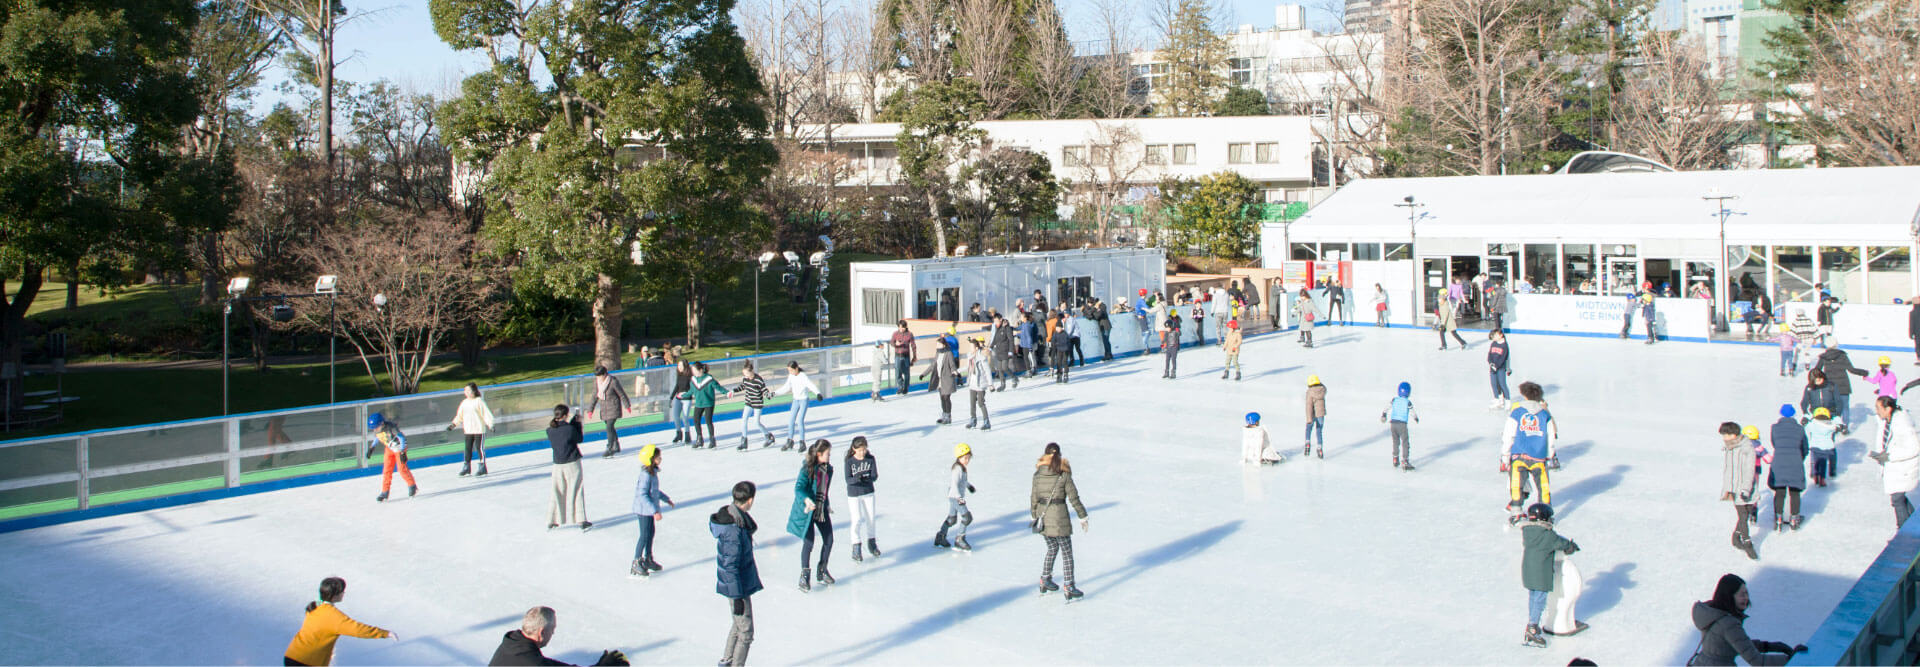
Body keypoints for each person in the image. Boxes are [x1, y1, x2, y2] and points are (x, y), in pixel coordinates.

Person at [1686, 574, 1805, 665]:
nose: (1746, 598)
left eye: (1747, 594)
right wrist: (1790, 659)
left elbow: (1735, 643)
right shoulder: (1728, 623)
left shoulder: (1713, 613)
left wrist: (1769, 646)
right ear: (1729, 596)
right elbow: (1757, 661)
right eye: (1742, 594)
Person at [284, 577, 393, 666]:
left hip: (292, 655)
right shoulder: (333, 616)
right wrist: (384, 633)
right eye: (342, 591)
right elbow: (357, 629)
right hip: (308, 661)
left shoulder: (315, 606)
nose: (344, 593)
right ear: (335, 595)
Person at [712, 481, 762, 667]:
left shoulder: (737, 519)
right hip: (737, 586)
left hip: (739, 583)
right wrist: (737, 596)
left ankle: (726, 661)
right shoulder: (734, 529)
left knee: (738, 624)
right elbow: (730, 565)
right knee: (746, 632)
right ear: (750, 500)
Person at [1032, 442, 1090, 601]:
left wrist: (1034, 516)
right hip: (1059, 518)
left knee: (1052, 548)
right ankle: (1069, 585)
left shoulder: (1037, 474)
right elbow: (1074, 498)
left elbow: (1034, 498)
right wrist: (1082, 516)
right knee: (1066, 552)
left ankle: (1045, 579)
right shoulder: (1063, 475)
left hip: (1043, 518)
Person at [1518, 503, 1579, 648]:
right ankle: (1532, 628)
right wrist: (1571, 546)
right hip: (1540, 573)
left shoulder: (1528, 531)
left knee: (1533, 597)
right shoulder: (1546, 535)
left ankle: (1532, 624)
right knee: (1539, 599)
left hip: (1528, 571)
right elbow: (1560, 543)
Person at [488, 606, 628, 666]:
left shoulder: (511, 644)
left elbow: (547, 664)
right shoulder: (532, 662)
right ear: (541, 632)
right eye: (552, 629)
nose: (553, 633)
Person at [1503, 382, 1556, 520]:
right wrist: (1550, 454)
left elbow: (1508, 435)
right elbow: (1551, 436)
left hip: (1519, 454)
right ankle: (1545, 511)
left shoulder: (1517, 412)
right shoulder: (1544, 414)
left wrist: (1505, 455)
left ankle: (1516, 510)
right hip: (1539, 456)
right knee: (1543, 485)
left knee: (1517, 484)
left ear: (1524, 395)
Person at [787, 440, 836, 591]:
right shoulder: (807, 469)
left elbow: (823, 490)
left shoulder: (828, 470)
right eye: (827, 453)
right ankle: (804, 575)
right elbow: (798, 488)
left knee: (829, 539)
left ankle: (822, 570)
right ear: (819, 454)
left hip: (820, 509)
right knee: (809, 543)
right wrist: (807, 500)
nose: (829, 456)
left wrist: (826, 505)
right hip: (806, 511)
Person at [1870, 395, 1920, 528]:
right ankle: (1914, 526)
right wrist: (1881, 455)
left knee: (1897, 499)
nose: (1876, 411)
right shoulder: (1887, 420)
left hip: (1903, 470)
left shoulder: (1902, 424)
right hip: (1896, 469)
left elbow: (1915, 448)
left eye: (1878, 408)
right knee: (1899, 498)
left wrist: (1889, 456)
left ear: (1888, 408)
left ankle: (1904, 533)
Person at [630, 445, 675, 577]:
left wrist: (666, 499)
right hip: (643, 510)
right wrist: (654, 511)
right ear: (650, 459)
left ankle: (648, 558)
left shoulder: (653, 473)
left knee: (650, 533)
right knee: (644, 535)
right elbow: (642, 494)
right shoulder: (645, 475)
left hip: (648, 509)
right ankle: (636, 561)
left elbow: (654, 491)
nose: (660, 459)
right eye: (658, 457)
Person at [1718, 422, 1760, 560]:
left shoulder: (1747, 449)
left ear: (1733, 435)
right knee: (1743, 516)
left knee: (1746, 514)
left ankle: (1736, 537)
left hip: (1746, 488)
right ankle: (1747, 543)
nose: (1724, 438)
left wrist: (1746, 489)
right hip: (1734, 488)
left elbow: (1749, 471)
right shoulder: (1730, 448)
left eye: (1726, 435)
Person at [546, 405, 591, 531]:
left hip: (557, 465)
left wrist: (572, 424)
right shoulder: (570, 429)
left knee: (557, 491)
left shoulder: (550, 430)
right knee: (576, 490)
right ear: (565, 415)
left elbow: (564, 433)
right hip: (572, 463)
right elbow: (578, 438)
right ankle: (580, 519)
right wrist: (577, 423)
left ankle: (552, 519)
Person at [1767, 405, 1808, 531]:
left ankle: (1778, 518)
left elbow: (1774, 443)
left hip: (1778, 461)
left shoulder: (1774, 428)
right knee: (1795, 492)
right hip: (1795, 461)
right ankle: (1794, 519)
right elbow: (1805, 448)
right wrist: (1799, 458)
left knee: (1780, 492)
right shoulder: (1800, 429)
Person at [1814, 342, 1870, 432]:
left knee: (1831, 407)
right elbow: (1851, 369)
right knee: (1845, 408)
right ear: (1836, 345)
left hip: (1830, 386)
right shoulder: (1842, 355)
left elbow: (1817, 371)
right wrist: (1864, 372)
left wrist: (1819, 381)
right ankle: (1845, 427)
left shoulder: (1823, 357)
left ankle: (1832, 426)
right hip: (1843, 385)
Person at [845, 437, 881, 563]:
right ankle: (856, 547)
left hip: (868, 492)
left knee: (870, 518)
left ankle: (872, 543)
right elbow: (848, 479)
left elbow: (875, 475)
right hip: (854, 494)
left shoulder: (870, 459)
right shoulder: (849, 462)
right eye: (860, 450)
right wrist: (857, 479)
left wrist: (867, 478)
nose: (862, 452)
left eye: (864, 449)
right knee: (857, 519)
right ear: (854, 449)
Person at [366, 412, 416, 503]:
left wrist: (402, 453)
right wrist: (371, 448)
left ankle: (412, 485)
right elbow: (377, 437)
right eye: (373, 429)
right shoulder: (377, 430)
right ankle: (385, 492)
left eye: (376, 427)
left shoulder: (391, 428)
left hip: (399, 448)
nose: (374, 430)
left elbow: (402, 438)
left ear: (381, 424)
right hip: (389, 449)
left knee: (402, 469)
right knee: (387, 471)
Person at [935, 443, 976, 551]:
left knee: (952, 519)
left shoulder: (962, 468)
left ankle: (940, 536)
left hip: (954, 495)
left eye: (968, 458)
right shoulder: (957, 469)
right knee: (967, 517)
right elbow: (954, 484)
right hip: (955, 496)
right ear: (959, 458)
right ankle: (959, 539)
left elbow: (962, 481)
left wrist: (969, 486)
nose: (967, 460)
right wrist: (959, 498)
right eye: (964, 458)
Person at [450, 382, 495, 477]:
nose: (466, 392)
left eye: (468, 390)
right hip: (468, 430)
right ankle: (467, 466)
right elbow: (460, 416)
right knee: (467, 448)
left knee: (479, 448)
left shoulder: (479, 401)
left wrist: (491, 425)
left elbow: (486, 414)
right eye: (465, 390)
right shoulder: (464, 403)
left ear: (474, 391)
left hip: (479, 429)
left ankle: (482, 466)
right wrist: (453, 424)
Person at [586, 366, 632, 458]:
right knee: (610, 428)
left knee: (609, 427)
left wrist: (627, 406)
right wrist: (590, 410)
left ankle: (610, 447)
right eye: (597, 376)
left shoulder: (613, 381)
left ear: (604, 374)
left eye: (599, 376)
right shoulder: (597, 383)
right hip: (604, 409)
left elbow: (621, 394)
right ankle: (616, 445)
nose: (598, 378)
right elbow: (594, 396)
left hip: (614, 407)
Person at [776, 362, 822, 451]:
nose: (790, 372)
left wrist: (818, 393)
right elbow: (786, 387)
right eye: (789, 370)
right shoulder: (791, 376)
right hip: (795, 400)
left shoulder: (803, 376)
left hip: (803, 400)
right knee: (791, 420)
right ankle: (790, 441)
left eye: (791, 370)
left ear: (796, 368)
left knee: (800, 420)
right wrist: (775, 393)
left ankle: (802, 442)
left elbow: (810, 385)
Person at [1381, 381, 1420, 471]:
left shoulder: (1394, 400)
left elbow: (1387, 407)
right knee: (1405, 442)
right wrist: (1416, 418)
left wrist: (1384, 414)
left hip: (1393, 424)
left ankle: (1395, 458)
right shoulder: (1408, 402)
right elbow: (1412, 412)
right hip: (1402, 425)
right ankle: (1405, 461)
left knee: (1395, 441)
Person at [920, 338, 959, 425]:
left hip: (948, 379)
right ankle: (944, 415)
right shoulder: (938, 353)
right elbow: (933, 365)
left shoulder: (948, 353)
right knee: (942, 398)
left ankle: (948, 417)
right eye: (936, 344)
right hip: (940, 379)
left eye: (938, 344)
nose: (937, 346)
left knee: (946, 397)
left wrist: (954, 371)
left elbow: (952, 365)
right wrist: (923, 374)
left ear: (943, 345)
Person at [686, 362, 723, 449]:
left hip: (708, 403)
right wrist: (682, 395)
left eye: (694, 370)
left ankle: (712, 440)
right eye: (692, 371)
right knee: (696, 420)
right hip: (699, 403)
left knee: (708, 421)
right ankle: (699, 439)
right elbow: (691, 391)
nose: (693, 372)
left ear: (701, 370)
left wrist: (727, 392)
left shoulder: (709, 379)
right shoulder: (693, 380)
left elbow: (718, 387)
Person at [1800, 369, 1845, 435]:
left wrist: (1837, 415)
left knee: (1829, 436)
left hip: (1829, 416)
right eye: (1815, 380)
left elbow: (1839, 401)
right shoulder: (1809, 388)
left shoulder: (1831, 386)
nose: (1818, 382)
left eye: (1820, 379)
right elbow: (1804, 402)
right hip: (1815, 417)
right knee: (1816, 437)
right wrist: (1805, 414)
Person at [1806, 407, 1840, 487]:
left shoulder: (1812, 425)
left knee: (1816, 461)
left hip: (1815, 446)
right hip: (1826, 447)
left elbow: (1806, 424)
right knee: (1823, 462)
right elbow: (1837, 426)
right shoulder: (1830, 426)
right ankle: (1822, 478)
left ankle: (1815, 475)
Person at [965, 338, 992, 429]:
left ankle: (986, 421)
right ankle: (973, 420)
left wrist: (990, 384)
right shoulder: (970, 356)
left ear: (976, 348)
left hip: (980, 383)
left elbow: (987, 371)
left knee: (981, 402)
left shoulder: (982, 358)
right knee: (972, 403)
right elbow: (967, 368)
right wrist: (956, 371)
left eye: (972, 347)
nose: (970, 349)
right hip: (972, 383)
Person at [669, 360, 694, 444]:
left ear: (685, 366)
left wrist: (686, 393)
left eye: (680, 365)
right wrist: (671, 397)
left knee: (685, 417)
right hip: (678, 399)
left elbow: (692, 389)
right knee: (676, 416)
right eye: (678, 365)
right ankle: (679, 434)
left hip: (687, 399)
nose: (679, 367)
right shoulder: (679, 375)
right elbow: (677, 386)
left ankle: (687, 435)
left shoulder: (690, 376)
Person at [1488, 329, 1513, 410]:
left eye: (1495, 335)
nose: (1493, 337)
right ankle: (1497, 399)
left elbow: (1503, 358)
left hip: (1500, 368)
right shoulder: (1493, 343)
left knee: (1502, 384)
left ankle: (1508, 401)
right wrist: (1491, 363)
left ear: (1500, 335)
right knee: (1494, 384)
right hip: (1492, 368)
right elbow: (1490, 355)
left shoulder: (1504, 346)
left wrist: (1497, 366)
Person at [990, 315, 1017, 391]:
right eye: (994, 321)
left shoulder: (1007, 328)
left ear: (1001, 320)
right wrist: (990, 347)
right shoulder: (997, 328)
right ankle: (1003, 384)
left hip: (1005, 351)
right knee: (999, 369)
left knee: (1005, 367)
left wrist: (1011, 351)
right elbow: (995, 338)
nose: (995, 323)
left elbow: (1011, 340)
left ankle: (1014, 378)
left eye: (996, 321)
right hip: (999, 351)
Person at [889, 320, 915, 397]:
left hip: (906, 356)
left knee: (906, 373)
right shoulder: (895, 334)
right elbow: (891, 342)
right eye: (899, 327)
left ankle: (906, 387)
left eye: (902, 327)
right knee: (898, 372)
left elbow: (913, 345)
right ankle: (900, 387)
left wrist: (914, 356)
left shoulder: (909, 334)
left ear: (905, 326)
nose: (901, 329)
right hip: (897, 356)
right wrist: (895, 344)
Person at [1304, 375, 1327, 459]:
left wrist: (1309, 418)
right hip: (1321, 414)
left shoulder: (1310, 392)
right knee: (1319, 430)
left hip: (1312, 414)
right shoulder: (1322, 390)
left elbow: (1309, 406)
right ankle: (1319, 447)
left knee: (1309, 428)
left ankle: (1307, 443)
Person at [1161, 308, 1182, 379]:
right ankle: (1166, 372)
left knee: (1173, 360)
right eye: (1166, 328)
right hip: (1168, 348)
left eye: (1168, 327)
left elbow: (1180, 334)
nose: (1166, 329)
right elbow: (1164, 339)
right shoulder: (1166, 332)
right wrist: (1163, 343)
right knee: (1167, 360)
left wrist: (1177, 329)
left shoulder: (1175, 331)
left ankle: (1173, 372)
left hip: (1174, 347)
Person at [1134, 288, 1153, 353]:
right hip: (1142, 318)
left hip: (1142, 317)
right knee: (1146, 332)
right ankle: (1146, 348)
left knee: (1145, 332)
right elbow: (1147, 308)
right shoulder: (1141, 301)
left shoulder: (1141, 300)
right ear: (1145, 294)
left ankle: (1146, 347)